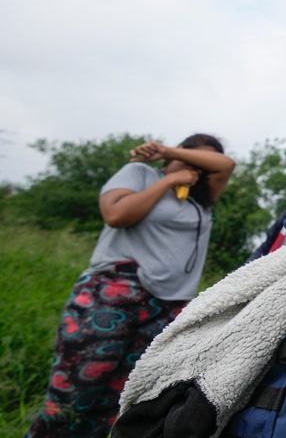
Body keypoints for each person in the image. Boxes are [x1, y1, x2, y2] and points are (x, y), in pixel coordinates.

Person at [27, 135, 235, 438]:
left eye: (200, 163)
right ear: (170, 159)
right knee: (72, 395)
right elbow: (116, 215)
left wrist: (170, 154)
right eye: (188, 157)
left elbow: (225, 164)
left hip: (167, 308)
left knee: (119, 400)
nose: (195, 168)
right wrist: (169, 179)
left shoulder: (202, 198)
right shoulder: (139, 173)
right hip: (113, 294)